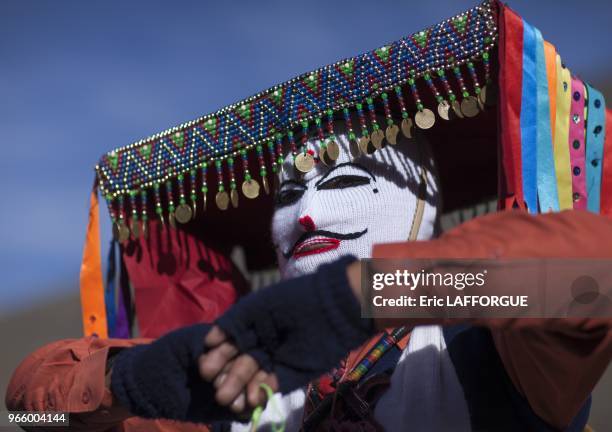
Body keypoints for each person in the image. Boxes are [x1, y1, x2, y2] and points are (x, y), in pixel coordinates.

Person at [5, 0, 612, 430]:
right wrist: (134, 381)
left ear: (421, 210)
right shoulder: (240, 383)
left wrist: (358, 295)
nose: (308, 215)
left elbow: (588, 283)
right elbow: (36, 413)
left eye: (349, 181)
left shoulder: (486, 347)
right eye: (288, 196)